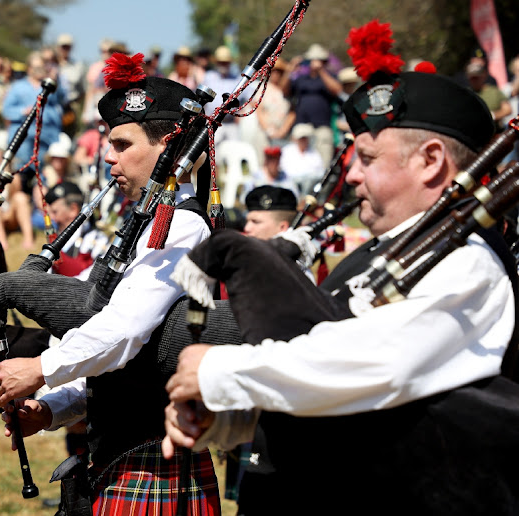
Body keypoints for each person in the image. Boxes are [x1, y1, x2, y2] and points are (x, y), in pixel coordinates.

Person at [163, 42, 519, 514]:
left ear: (431, 160)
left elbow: (377, 364)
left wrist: (219, 370)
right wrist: (225, 417)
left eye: (368, 159)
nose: (350, 175)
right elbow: (328, 386)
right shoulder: (371, 256)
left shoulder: (465, 262)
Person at [0, 54, 220, 514]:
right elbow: (125, 364)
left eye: (121, 143)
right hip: (124, 460)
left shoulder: (181, 227)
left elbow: (125, 331)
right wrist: (53, 407)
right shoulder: (151, 223)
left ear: (168, 148)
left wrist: (42, 368)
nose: (108, 155)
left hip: (154, 465)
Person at [3, 51, 67, 249]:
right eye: (39, 66)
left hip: (46, 142)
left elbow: (63, 102)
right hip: (23, 144)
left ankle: (49, 222)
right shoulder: (18, 87)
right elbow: (6, 110)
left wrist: (56, 82)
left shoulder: (53, 84)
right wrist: (22, 112)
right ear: (29, 68)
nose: (43, 69)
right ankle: (20, 221)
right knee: (20, 182)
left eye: (45, 66)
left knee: (44, 183)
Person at [279, 43, 342, 166]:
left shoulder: (330, 77)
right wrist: (290, 69)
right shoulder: (301, 78)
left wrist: (321, 71)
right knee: (300, 162)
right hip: (302, 126)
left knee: (324, 163)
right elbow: (284, 90)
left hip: (322, 127)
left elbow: (337, 90)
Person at [279, 122, 324, 195]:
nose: (303, 141)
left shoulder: (314, 153)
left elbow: (320, 172)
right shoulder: (287, 151)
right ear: (295, 139)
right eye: (301, 138)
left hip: (309, 189)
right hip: (290, 186)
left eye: (305, 138)